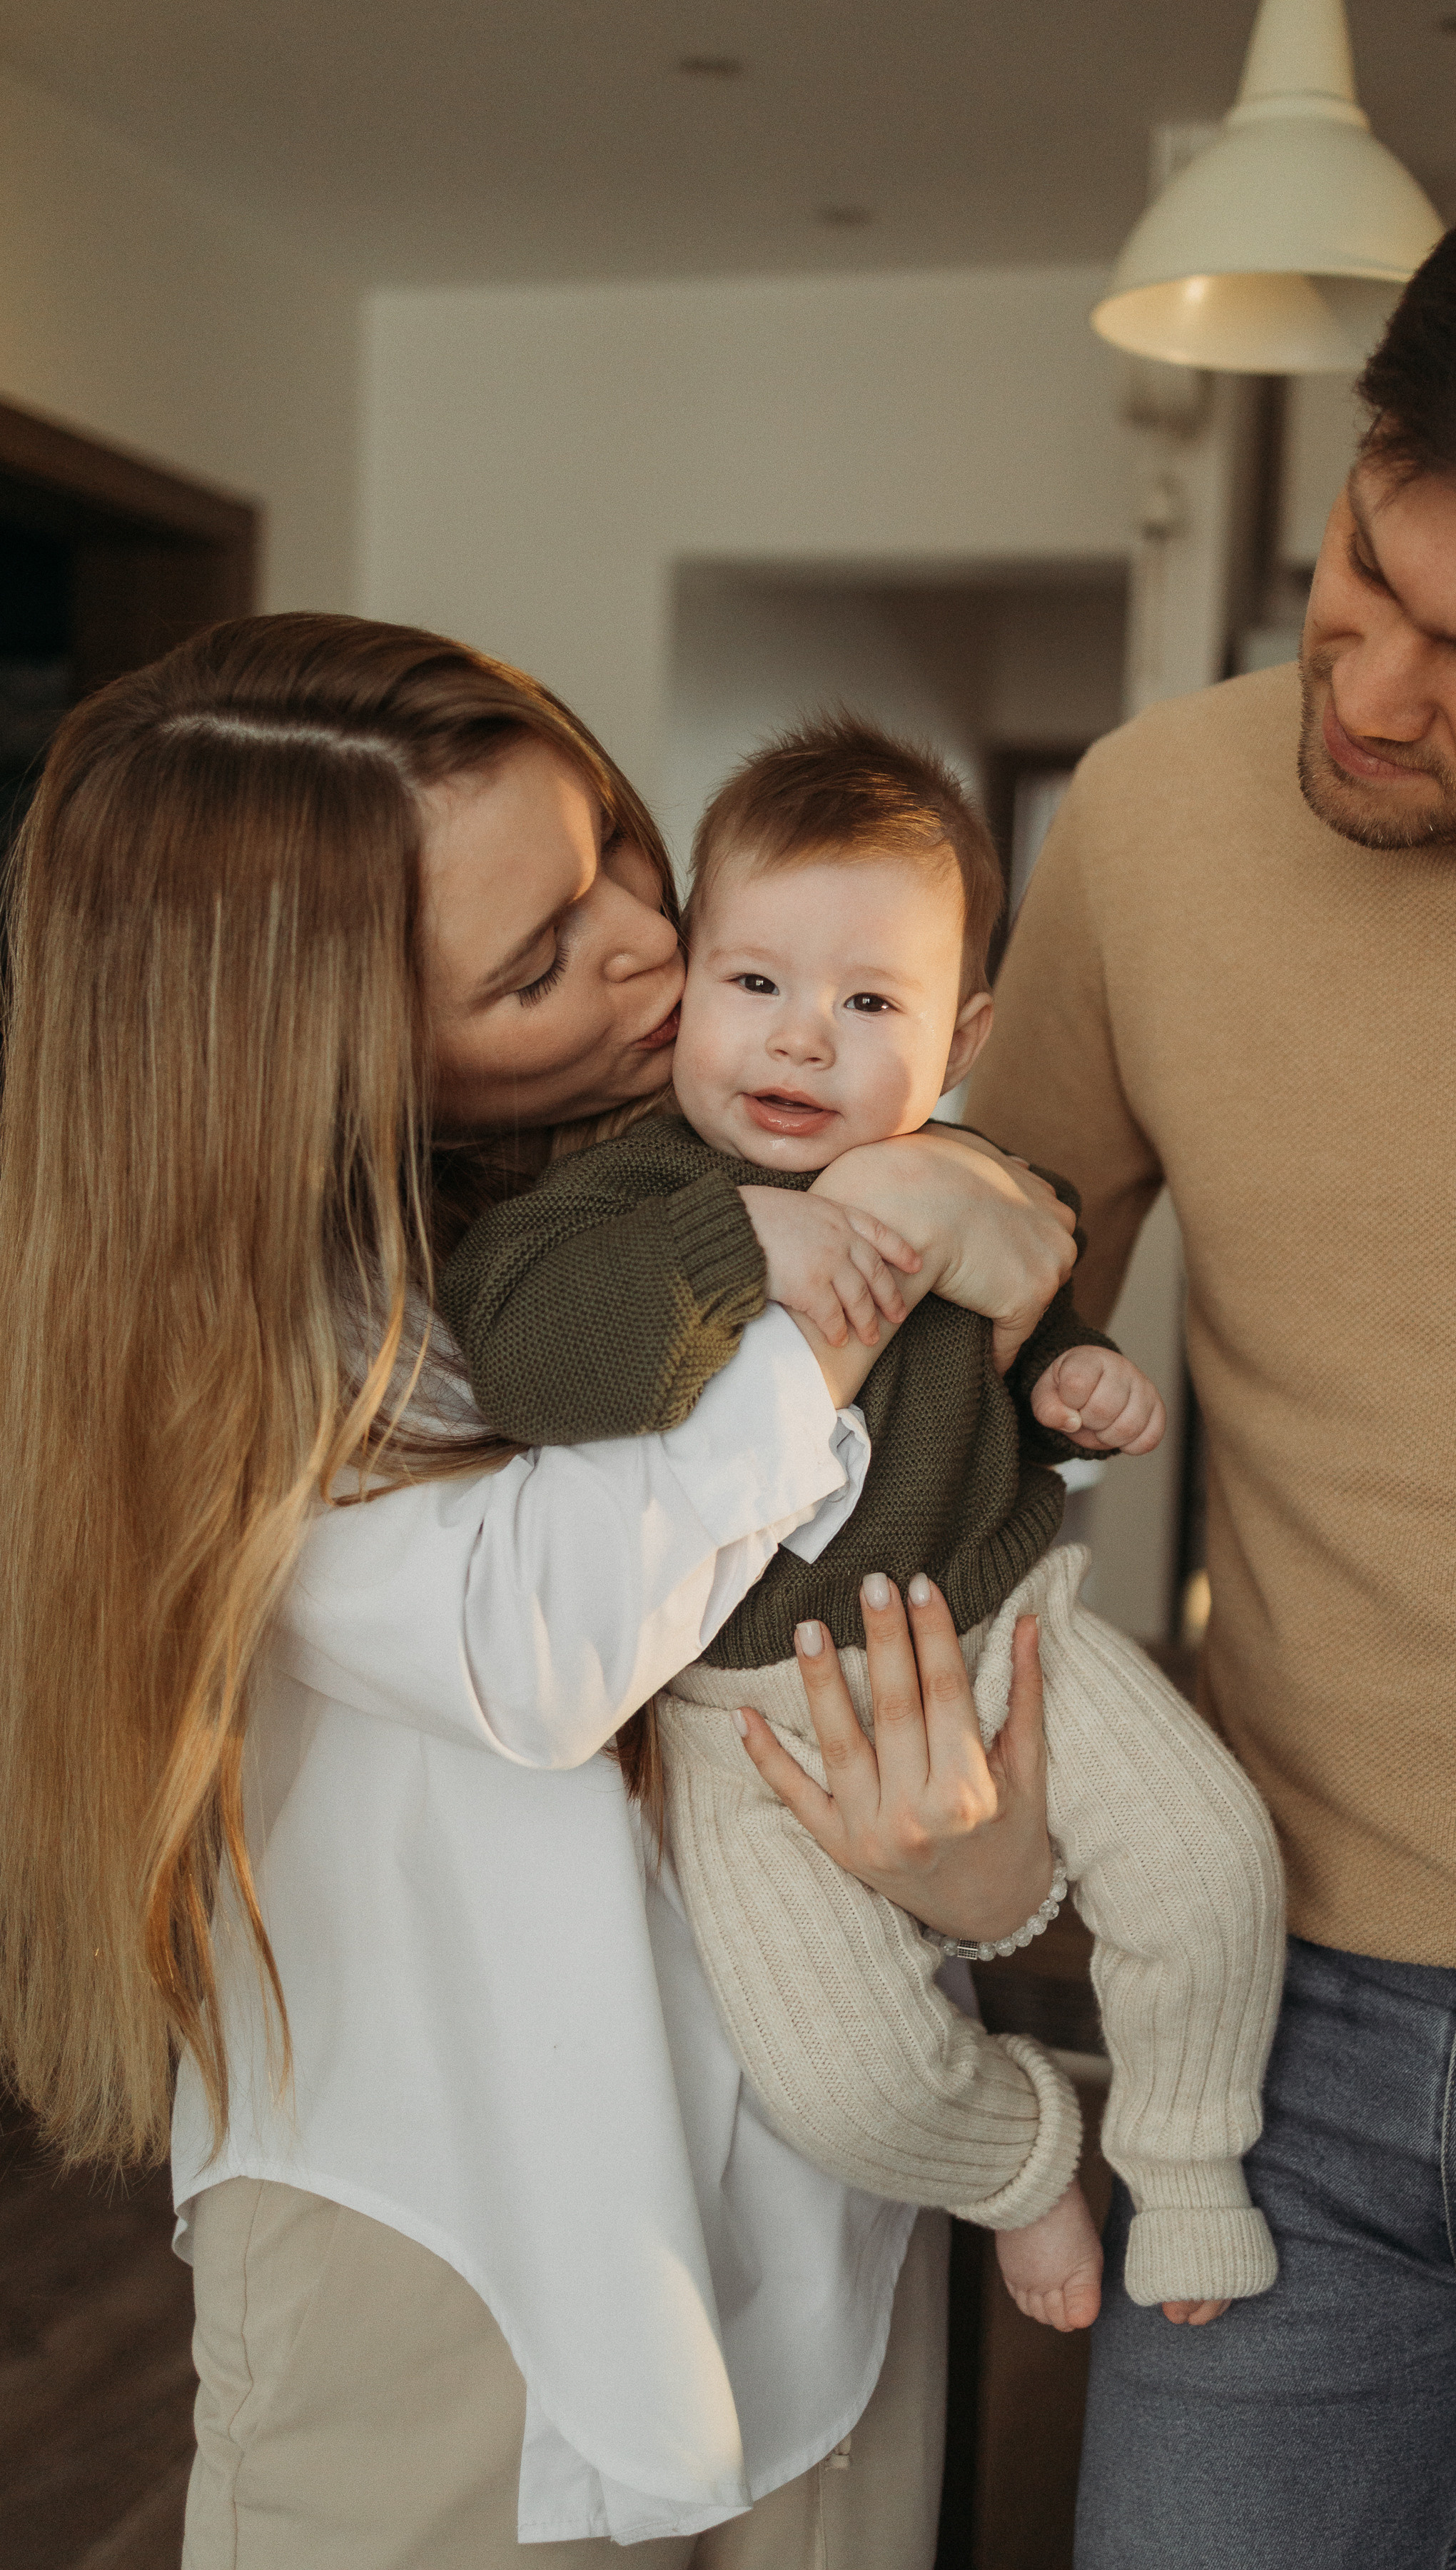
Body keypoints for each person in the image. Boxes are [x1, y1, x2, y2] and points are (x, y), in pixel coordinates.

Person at [0, 613, 1082, 2570]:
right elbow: (539, 1647)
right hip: (468, 2259)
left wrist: (981, 1876)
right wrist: (871, 1252)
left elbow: (929, 1615)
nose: (654, 954)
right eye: (535, 963)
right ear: (323, 1046)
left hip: (821, 2212)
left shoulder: (688, 1155)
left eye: (610, 855)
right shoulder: (234, 1344)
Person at [966, 112, 1456, 2570]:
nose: (1376, 699)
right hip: (1259, 2030)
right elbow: (965, 1337)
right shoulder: (1160, 824)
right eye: (1366, 571)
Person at [437, 715, 1285, 2338]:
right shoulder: (625, 1199)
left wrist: (1083, 1383)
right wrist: (739, 1232)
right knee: (843, 2083)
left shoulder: (974, 1173)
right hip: (745, 1718)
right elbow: (536, 1361)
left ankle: (1185, 2163)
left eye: (870, 1004)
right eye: (754, 984)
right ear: (686, 976)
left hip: (997, 1625)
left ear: (961, 1031)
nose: (802, 1044)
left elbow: (1025, 1342)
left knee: (1215, 1871)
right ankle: (1029, 2157)